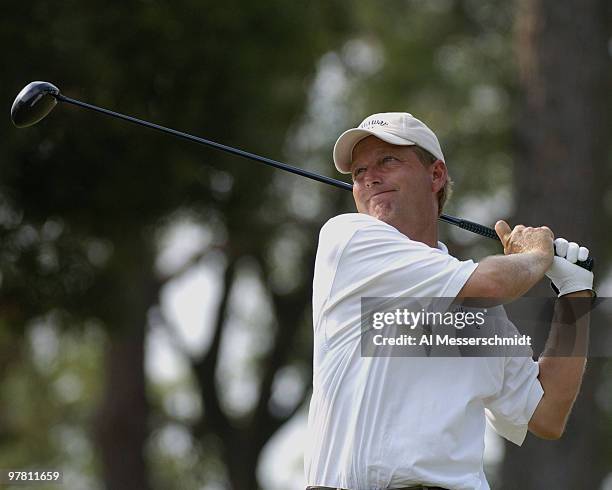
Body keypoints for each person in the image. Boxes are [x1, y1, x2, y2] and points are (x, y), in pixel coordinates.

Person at [304, 113, 594, 490]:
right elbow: (490, 282)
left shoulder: (480, 312)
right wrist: (537, 256)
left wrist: (575, 297)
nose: (369, 177)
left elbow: (547, 414)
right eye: (358, 172)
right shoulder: (349, 238)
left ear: (436, 175)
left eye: (387, 161)